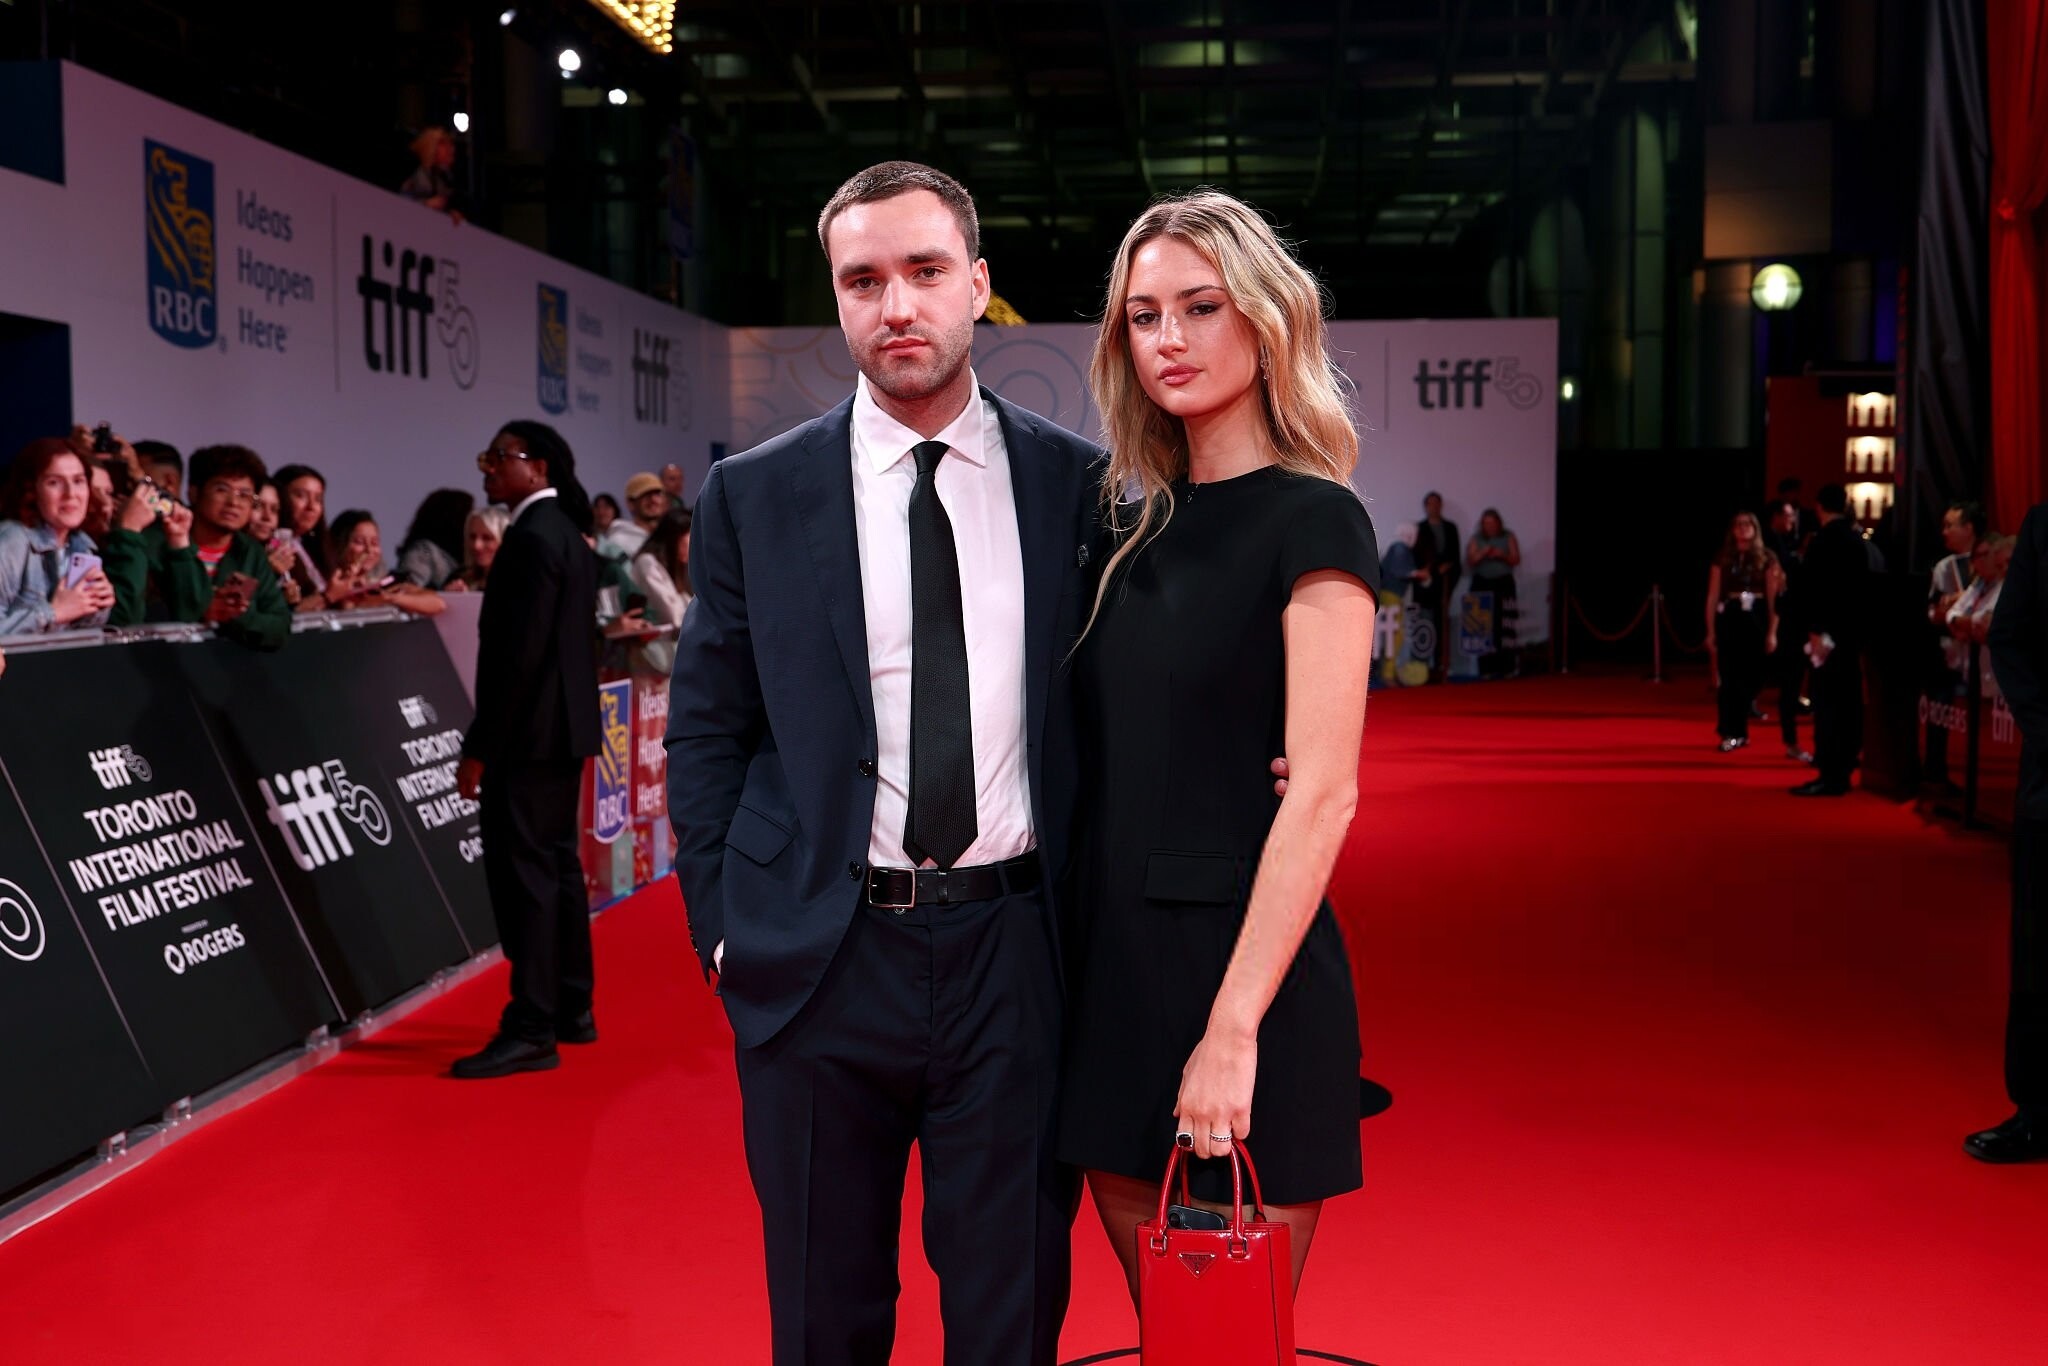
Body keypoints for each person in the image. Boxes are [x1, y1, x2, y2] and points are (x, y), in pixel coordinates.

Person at [665, 161, 1101, 1366]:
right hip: (818, 956)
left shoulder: (1077, 487)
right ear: (837, 297)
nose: (895, 305)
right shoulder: (753, 494)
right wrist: (721, 924)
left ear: (978, 283)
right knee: (823, 1317)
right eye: (862, 280)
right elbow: (706, 726)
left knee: (1009, 1316)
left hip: (1016, 955)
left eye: (923, 271)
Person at [1055, 190, 1376, 1306]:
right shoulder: (1120, 532)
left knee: (1229, 1337)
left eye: (1200, 307)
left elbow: (1323, 794)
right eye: (1143, 316)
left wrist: (1231, 1031)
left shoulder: (1316, 518)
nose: (1169, 339)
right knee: (1169, 1336)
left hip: (1246, 979)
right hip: (1111, 976)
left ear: (1265, 320)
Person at [451, 420, 600, 1079]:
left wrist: (480, 745)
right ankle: (571, 1006)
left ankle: (533, 1024)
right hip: (560, 733)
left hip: (529, 738)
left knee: (530, 880)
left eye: (498, 457)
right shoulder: (564, 532)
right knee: (558, 868)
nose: (486, 467)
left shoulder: (535, 537)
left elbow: (519, 657)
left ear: (537, 466)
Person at [1971, 502, 2048, 1163]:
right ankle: (2038, 1112)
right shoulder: (2045, 527)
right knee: (2039, 952)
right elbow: (2010, 637)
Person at [102, 444, 291, 651]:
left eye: (244, 495)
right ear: (193, 493)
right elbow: (141, 614)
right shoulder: (154, 541)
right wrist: (207, 610)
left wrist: (235, 617)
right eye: (222, 490)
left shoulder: (250, 552)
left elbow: (279, 626)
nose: (234, 502)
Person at [1791, 484, 1871, 796]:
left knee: (1828, 704)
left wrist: (1814, 630)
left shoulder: (1822, 542)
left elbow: (1812, 590)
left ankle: (1830, 772)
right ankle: (1844, 766)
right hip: (1851, 636)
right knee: (1848, 702)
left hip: (1826, 637)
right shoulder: (1856, 541)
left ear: (1819, 506)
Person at [0, 439, 118, 636]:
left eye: (78, 481)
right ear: (31, 491)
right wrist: (53, 613)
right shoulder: (12, 541)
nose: (70, 494)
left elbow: (78, 637)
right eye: (54, 482)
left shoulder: (82, 545)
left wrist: (97, 608)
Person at [1706, 511, 1782, 752]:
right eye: (1738, 524)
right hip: (1730, 616)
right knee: (1729, 678)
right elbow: (1713, 595)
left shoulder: (1767, 557)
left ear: (1755, 528)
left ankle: (1741, 720)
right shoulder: (1723, 557)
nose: (1742, 528)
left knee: (1753, 675)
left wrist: (1772, 631)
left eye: (1747, 524)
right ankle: (1731, 731)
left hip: (1756, 617)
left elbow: (1774, 598)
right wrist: (1710, 630)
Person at [326, 510, 445, 617]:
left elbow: (438, 604)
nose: (369, 550)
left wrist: (390, 598)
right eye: (359, 542)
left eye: (374, 543)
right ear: (339, 545)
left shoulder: (385, 583)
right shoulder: (330, 586)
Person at [1765, 500, 1812, 762]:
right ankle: (1792, 741)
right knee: (1790, 686)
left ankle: (1795, 741)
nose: (1792, 520)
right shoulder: (1779, 553)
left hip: (1801, 630)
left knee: (1793, 687)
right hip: (1792, 630)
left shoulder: (1793, 558)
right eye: (1788, 515)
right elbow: (1779, 597)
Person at [628, 505, 692, 675]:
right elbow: (674, 616)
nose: (695, 545)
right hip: (651, 656)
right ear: (675, 537)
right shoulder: (647, 563)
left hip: (668, 655)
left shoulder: (676, 568)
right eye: (690, 537)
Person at [1466, 506, 1521, 679]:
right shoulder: (1476, 539)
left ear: (1498, 523)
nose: (1489, 526)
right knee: (1482, 626)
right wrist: (1483, 553)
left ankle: (1507, 667)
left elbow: (1515, 559)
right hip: (1482, 583)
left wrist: (1501, 555)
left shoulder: (1508, 536)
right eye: (1486, 523)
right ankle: (1486, 668)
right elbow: (1470, 560)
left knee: (1504, 626)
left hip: (1503, 584)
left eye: (1492, 523)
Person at [273, 463, 335, 608]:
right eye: (301, 496)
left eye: (318, 499)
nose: (311, 507)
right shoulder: (272, 548)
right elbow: (291, 612)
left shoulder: (315, 547)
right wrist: (330, 595)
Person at [1414, 491, 1460, 680]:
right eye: (1430, 503)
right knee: (1425, 623)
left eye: (1437, 503)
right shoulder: (1420, 528)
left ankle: (1442, 663)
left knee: (1442, 624)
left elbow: (1455, 556)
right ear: (1426, 506)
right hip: (1426, 585)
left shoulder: (1450, 528)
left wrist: (1446, 568)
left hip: (1445, 583)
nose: (1434, 507)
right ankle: (1424, 666)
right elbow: (1417, 556)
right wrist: (1431, 571)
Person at [395, 488, 473, 590]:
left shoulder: (464, 556)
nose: (472, 524)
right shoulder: (423, 552)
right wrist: (445, 594)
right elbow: (406, 589)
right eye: (469, 516)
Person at [400, 125, 462, 223]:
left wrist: (449, 214)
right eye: (442, 143)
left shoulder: (445, 180)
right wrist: (424, 204)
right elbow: (401, 204)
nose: (450, 148)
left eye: (450, 144)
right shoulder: (414, 173)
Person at [602, 471, 666, 561]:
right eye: (646, 495)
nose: (653, 500)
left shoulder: (669, 539)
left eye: (657, 494)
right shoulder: (618, 542)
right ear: (630, 504)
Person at [446, 505, 509, 592]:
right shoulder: (459, 578)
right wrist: (449, 597)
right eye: (473, 537)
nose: (476, 546)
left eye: (487, 538)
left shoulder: (521, 582)